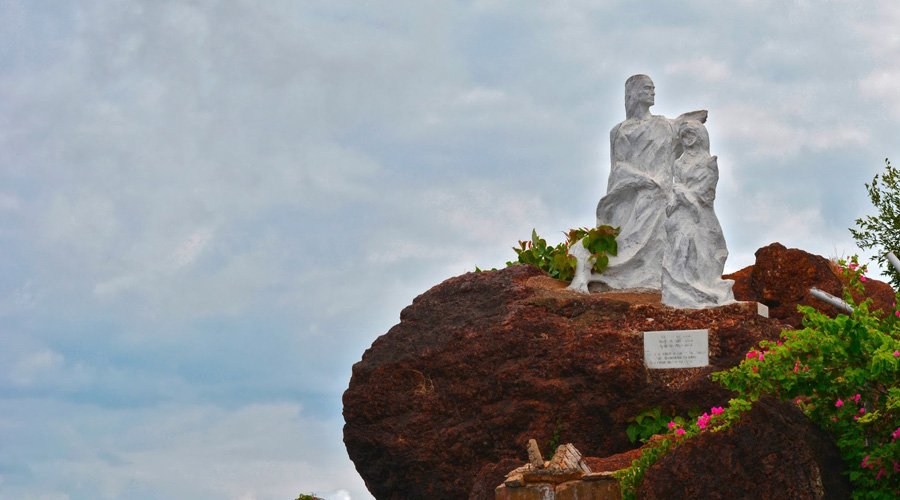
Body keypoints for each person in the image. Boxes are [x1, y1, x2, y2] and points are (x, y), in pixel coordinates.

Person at [661, 120, 735, 307]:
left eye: (691, 135)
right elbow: (674, 188)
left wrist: (682, 193)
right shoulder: (678, 163)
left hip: (700, 215)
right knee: (678, 248)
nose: (687, 139)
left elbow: (706, 194)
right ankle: (680, 289)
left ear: (700, 136)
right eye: (684, 135)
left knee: (700, 249)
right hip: (679, 214)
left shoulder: (708, 162)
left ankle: (701, 288)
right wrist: (675, 197)